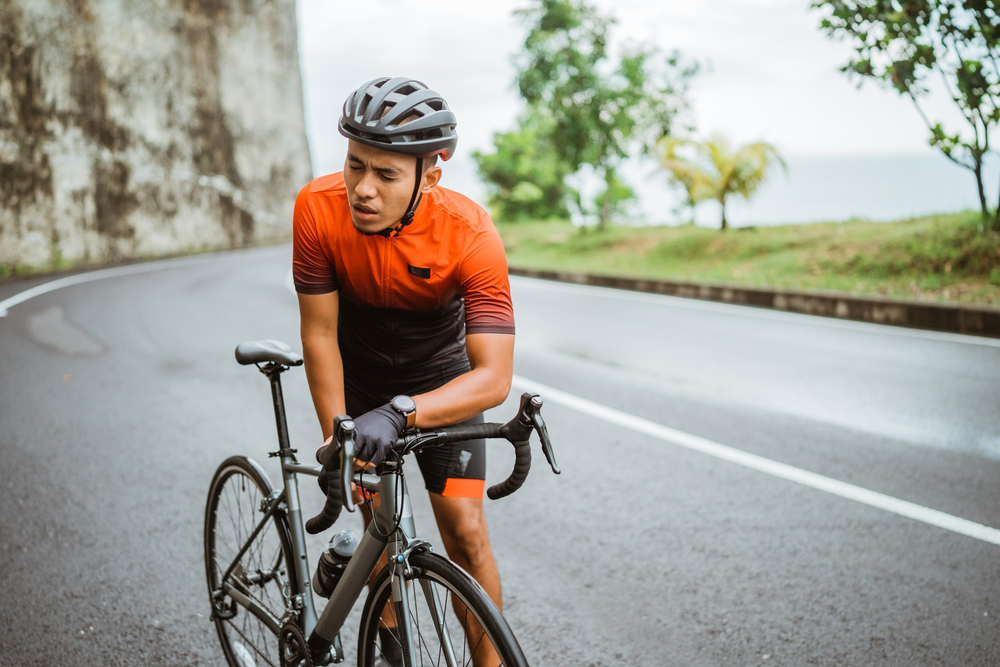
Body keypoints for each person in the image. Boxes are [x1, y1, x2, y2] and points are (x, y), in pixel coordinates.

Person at [292, 76, 515, 665]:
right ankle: (388, 647)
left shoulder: (470, 234)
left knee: (465, 532)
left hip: (443, 380)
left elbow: (493, 378)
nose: (363, 189)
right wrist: (337, 433)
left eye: (386, 175)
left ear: (430, 175)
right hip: (361, 379)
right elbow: (319, 333)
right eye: (354, 165)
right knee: (378, 534)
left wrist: (406, 410)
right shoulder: (317, 209)